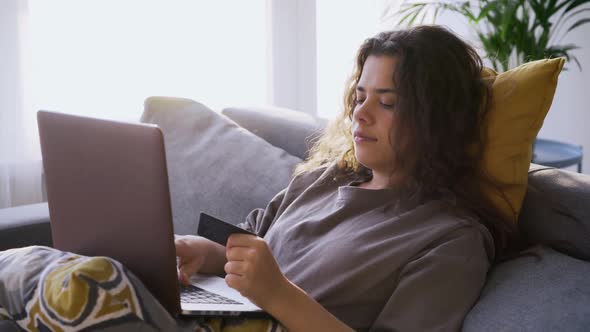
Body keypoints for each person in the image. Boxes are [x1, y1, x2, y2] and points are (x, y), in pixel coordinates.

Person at [175, 25, 519, 332]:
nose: (361, 114)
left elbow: (268, 285)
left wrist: (278, 294)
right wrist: (202, 253)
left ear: (437, 120)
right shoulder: (326, 179)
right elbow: (246, 252)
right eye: (360, 97)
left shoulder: (451, 239)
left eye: (387, 103)